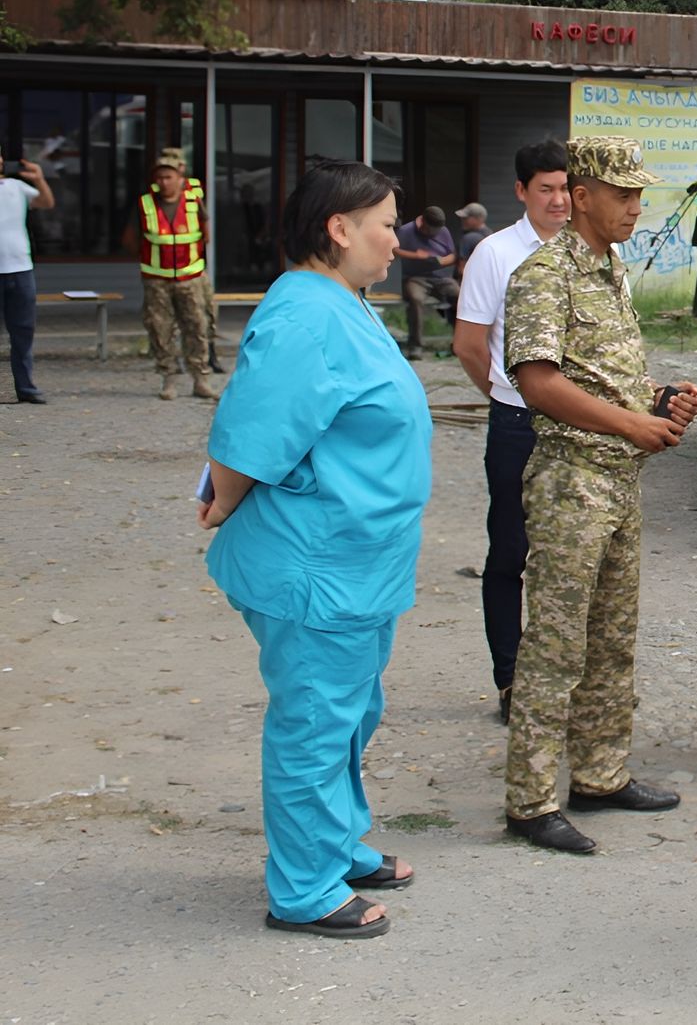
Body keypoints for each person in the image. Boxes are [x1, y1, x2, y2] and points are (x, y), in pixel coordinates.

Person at [198, 160, 432, 939]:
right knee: (315, 721)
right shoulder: (305, 314)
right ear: (339, 229)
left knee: (353, 711)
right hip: (317, 566)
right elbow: (251, 432)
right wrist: (221, 496)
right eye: (385, 226)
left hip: (360, 561)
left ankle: (334, 845)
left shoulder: (342, 302)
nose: (396, 241)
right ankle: (303, 889)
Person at [502, 136, 697, 856]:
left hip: (617, 479)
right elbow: (539, 382)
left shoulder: (611, 268)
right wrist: (630, 424)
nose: (636, 207)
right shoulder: (543, 274)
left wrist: (658, 400)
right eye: (623, 194)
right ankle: (530, 801)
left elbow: (601, 374)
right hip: (571, 481)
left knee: (612, 638)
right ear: (581, 197)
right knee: (556, 645)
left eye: (639, 194)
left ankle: (600, 773)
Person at [451, 143, 571, 721]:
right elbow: (470, 345)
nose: (558, 200)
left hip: (581, 427)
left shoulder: (591, 252)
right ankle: (511, 678)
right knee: (510, 552)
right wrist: (506, 396)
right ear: (522, 191)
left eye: (566, 188)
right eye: (546, 189)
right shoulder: (495, 254)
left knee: (571, 554)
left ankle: (564, 676)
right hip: (518, 424)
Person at [126, 152, 216, 401]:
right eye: (160, 177)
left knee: (197, 327)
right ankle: (169, 379)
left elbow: (205, 234)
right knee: (160, 329)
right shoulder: (145, 204)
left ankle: (201, 380)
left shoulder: (193, 200)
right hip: (157, 280)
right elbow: (131, 239)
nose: (164, 182)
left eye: (169, 177)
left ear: (180, 178)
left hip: (191, 277)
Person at [1, 158, 54, 404]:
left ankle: (26, 388)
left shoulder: (17, 186)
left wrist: (39, 179)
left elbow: (46, 202)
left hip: (21, 268)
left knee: (22, 331)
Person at [394, 205, 458, 356]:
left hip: (440, 278)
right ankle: (416, 345)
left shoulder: (443, 231)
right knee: (415, 299)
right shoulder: (406, 231)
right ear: (423, 222)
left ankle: (458, 342)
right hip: (415, 278)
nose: (433, 234)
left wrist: (441, 261)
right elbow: (393, 250)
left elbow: (453, 255)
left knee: (460, 295)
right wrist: (415, 256)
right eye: (430, 231)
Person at [455, 202, 490, 275]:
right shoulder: (491, 234)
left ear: (478, 219)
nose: (462, 220)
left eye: (465, 218)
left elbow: (462, 269)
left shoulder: (468, 238)